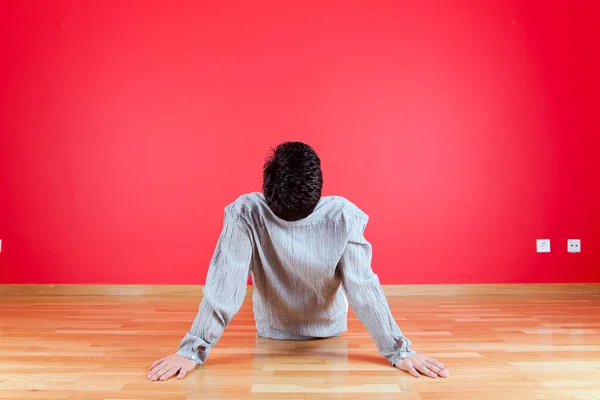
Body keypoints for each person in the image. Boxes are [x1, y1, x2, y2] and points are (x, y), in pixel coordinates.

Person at [148, 142, 448, 381]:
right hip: (278, 332)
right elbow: (225, 286)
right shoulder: (250, 214)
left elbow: (364, 290)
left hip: (318, 332)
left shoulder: (336, 216)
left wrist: (400, 351)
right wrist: (191, 350)